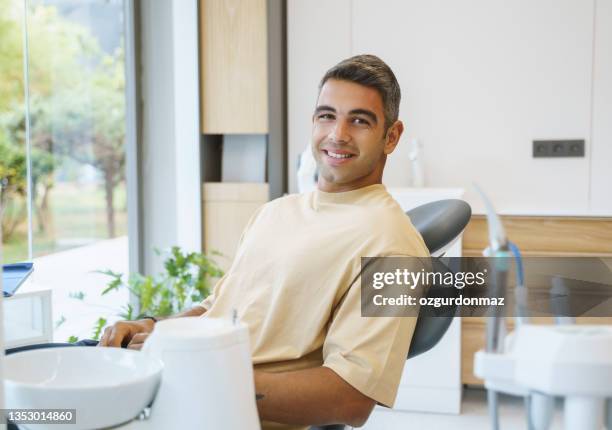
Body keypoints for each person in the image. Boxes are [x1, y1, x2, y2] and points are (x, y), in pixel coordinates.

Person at [98, 54, 429, 430]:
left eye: (359, 120)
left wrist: (197, 370)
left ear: (392, 136)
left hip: (224, 414)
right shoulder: (276, 212)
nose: (337, 134)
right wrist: (156, 328)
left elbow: (350, 399)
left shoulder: (393, 246)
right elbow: (217, 309)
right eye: (326, 115)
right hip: (178, 392)